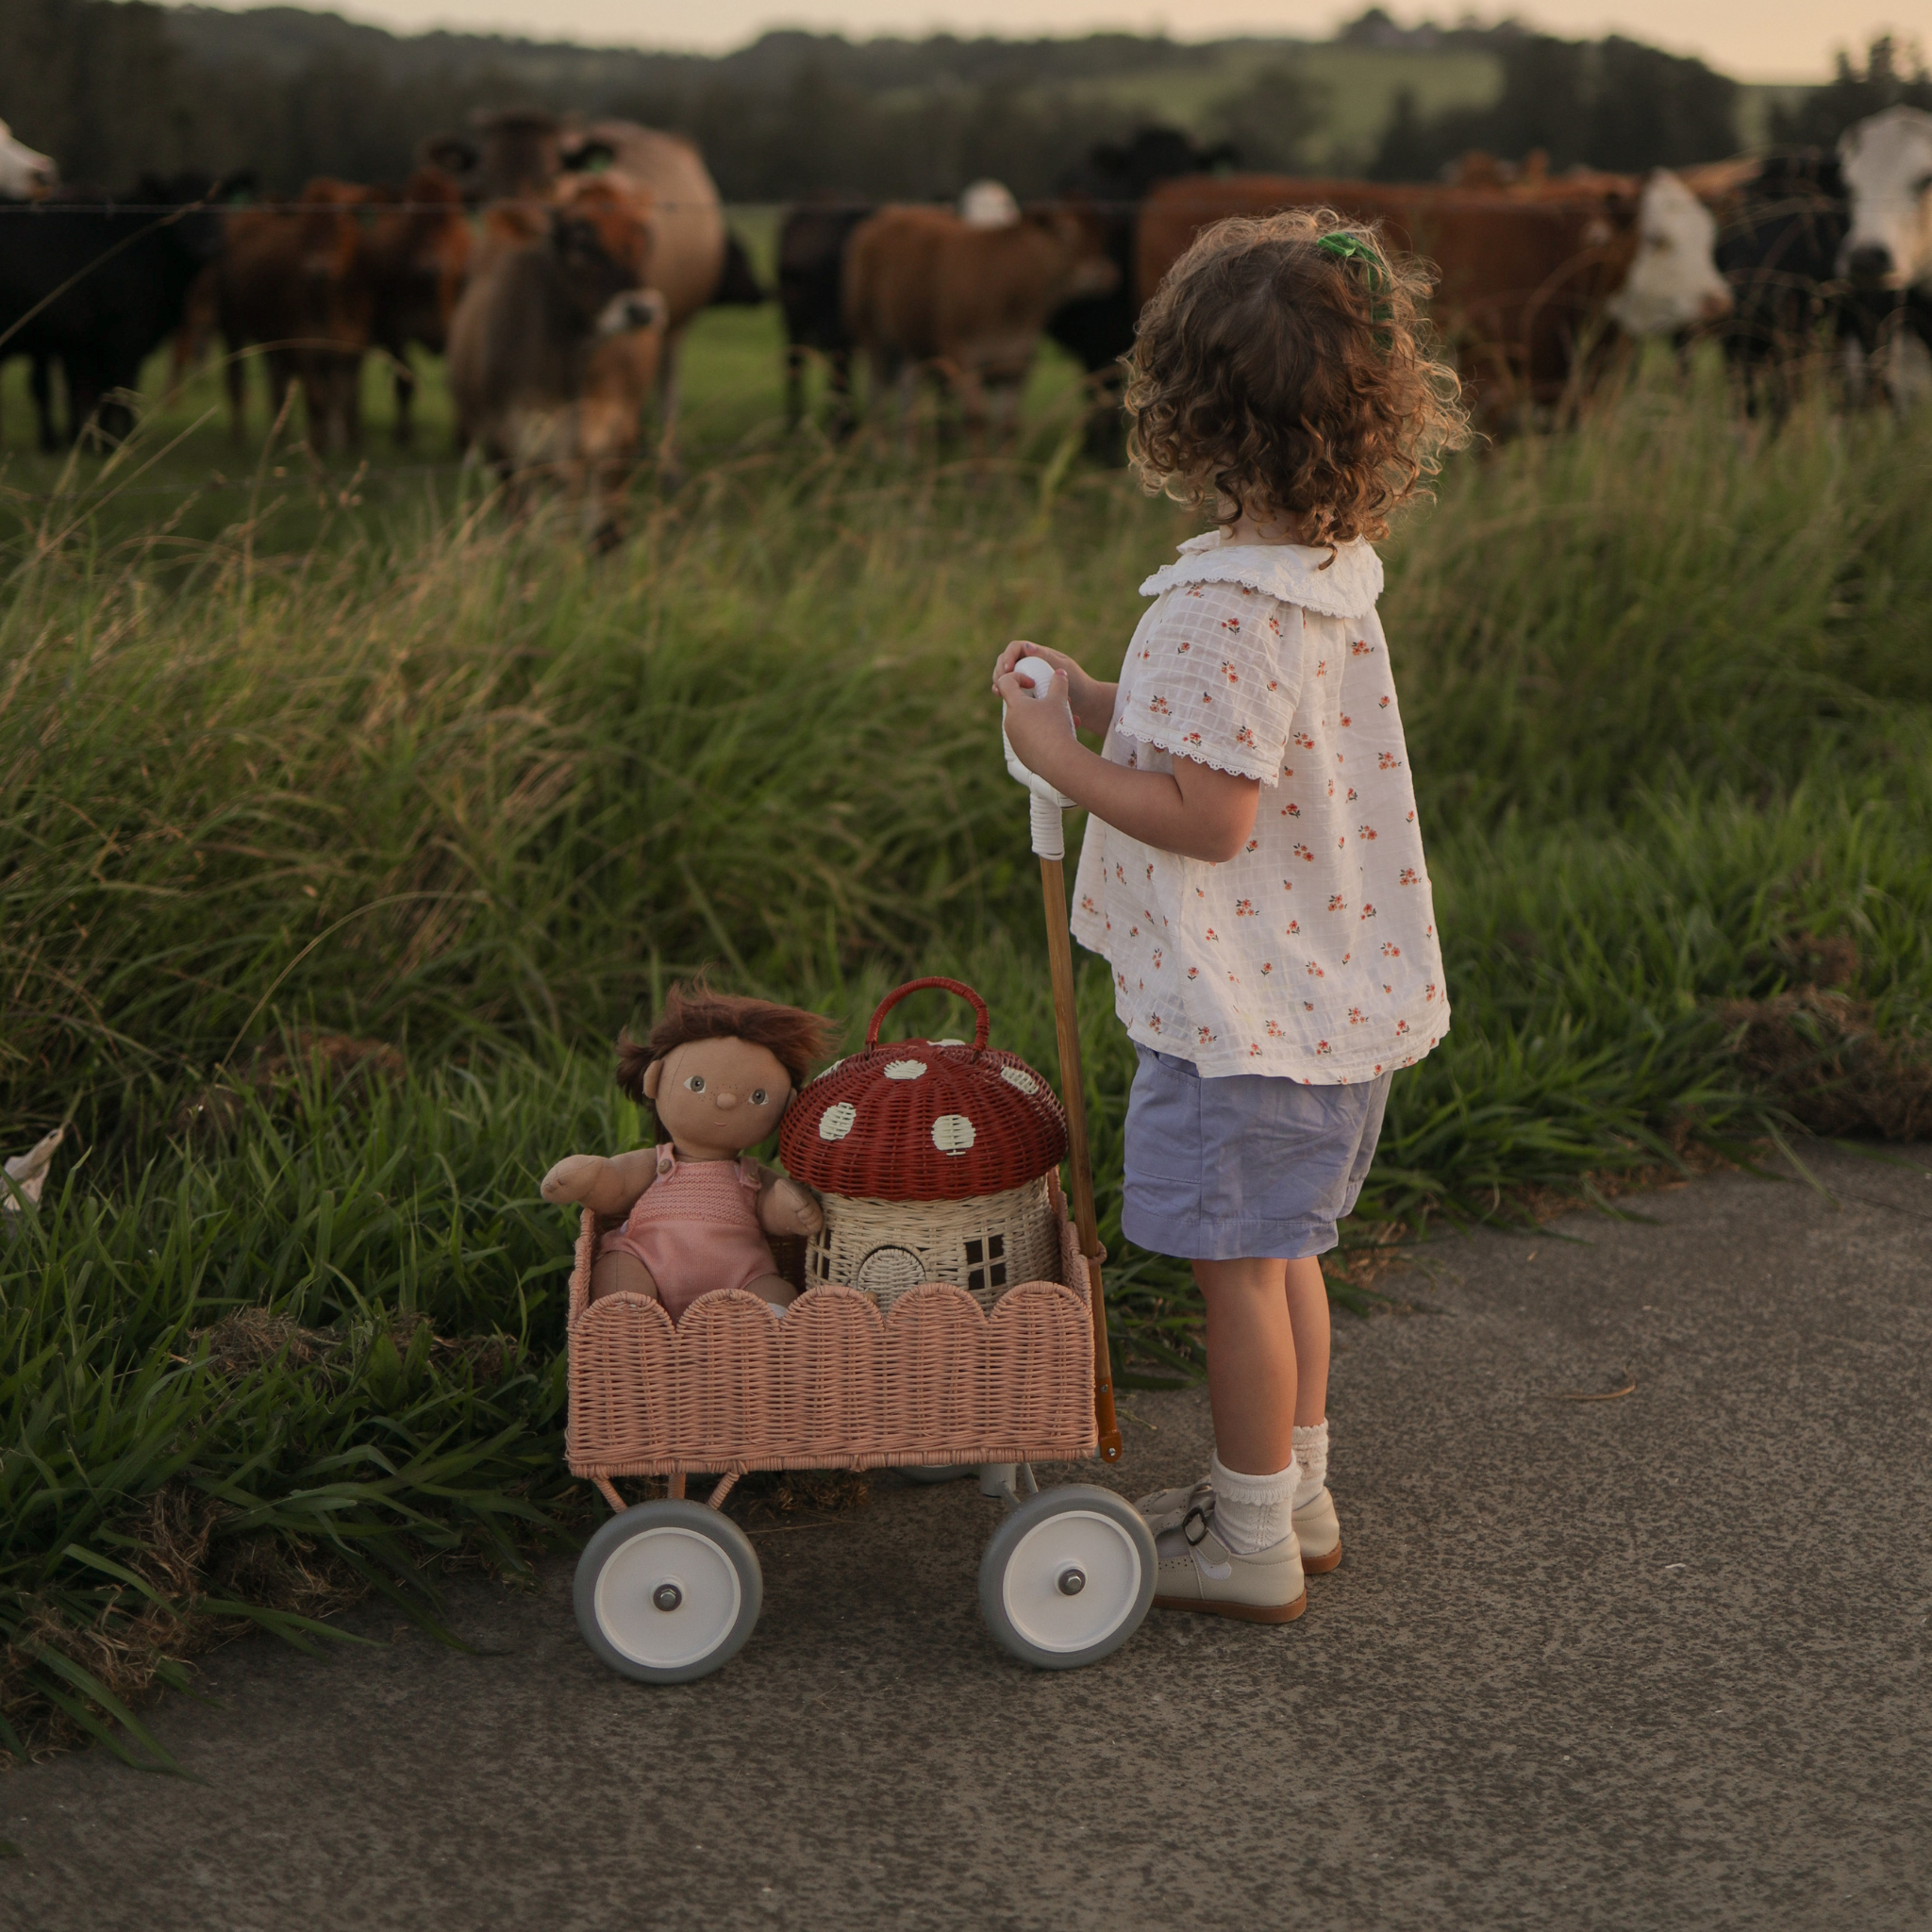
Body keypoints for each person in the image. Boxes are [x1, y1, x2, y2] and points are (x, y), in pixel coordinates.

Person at [993, 208, 1470, 1623]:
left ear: (1185, 407)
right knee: (1283, 1256)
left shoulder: (1220, 604)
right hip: (1319, 998)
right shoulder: (1320, 573)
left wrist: (1057, 758)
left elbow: (1211, 815)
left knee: (1238, 1277)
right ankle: (1293, 1495)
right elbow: (1231, 741)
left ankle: (1247, 1536)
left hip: (1242, 1012)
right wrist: (1097, 699)